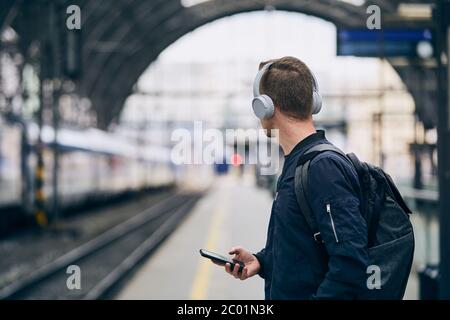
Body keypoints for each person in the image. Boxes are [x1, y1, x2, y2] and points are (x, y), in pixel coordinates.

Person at [219, 56, 369, 299]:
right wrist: (262, 261)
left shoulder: (323, 168)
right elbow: (305, 249)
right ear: (313, 102)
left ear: (265, 106)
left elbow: (350, 264)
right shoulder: (299, 163)